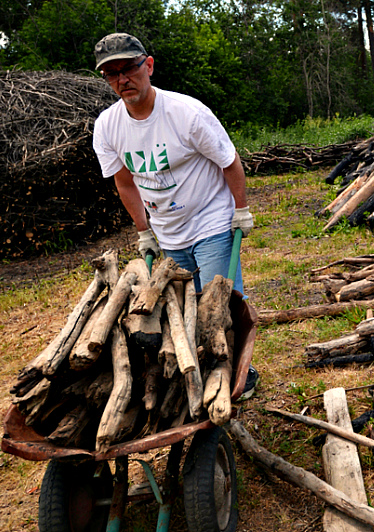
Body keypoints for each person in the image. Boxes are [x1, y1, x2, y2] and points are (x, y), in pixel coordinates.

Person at [91, 32, 258, 399]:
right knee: (183, 308)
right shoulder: (107, 126)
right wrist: (144, 231)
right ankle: (200, 369)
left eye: (128, 69)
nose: (122, 79)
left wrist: (240, 210)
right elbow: (125, 182)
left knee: (218, 300)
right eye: (111, 73)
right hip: (168, 229)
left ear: (147, 66)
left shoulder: (186, 113)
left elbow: (228, 161)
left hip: (211, 217)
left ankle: (233, 375)